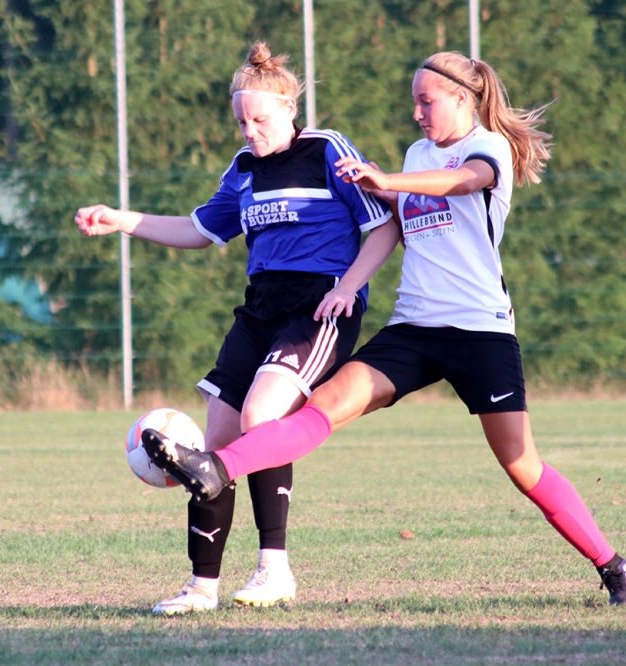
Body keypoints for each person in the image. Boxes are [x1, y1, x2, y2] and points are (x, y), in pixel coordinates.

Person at [145, 51, 626, 605]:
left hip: (479, 331)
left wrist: (389, 179)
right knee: (320, 408)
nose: (416, 113)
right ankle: (216, 468)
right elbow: (399, 215)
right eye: (414, 102)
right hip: (413, 327)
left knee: (522, 465)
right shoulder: (417, 154)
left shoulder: (487, 147)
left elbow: (464, 181)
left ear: (461, 97)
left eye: (426, 101)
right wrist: (378, 190)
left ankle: (613, 565)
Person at [75, 41, 398, 615]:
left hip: (319, 306)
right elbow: (199, 230)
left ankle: (275, 569)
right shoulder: (243, 169)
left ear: (289, 110)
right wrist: (122, 220)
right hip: (260, 307)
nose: (250, 131)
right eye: (242, 122)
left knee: (261, 416)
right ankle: (202, 587)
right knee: (217, 442)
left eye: (260, 119)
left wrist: (348, 288)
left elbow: (385, 223)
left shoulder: (327, 149)